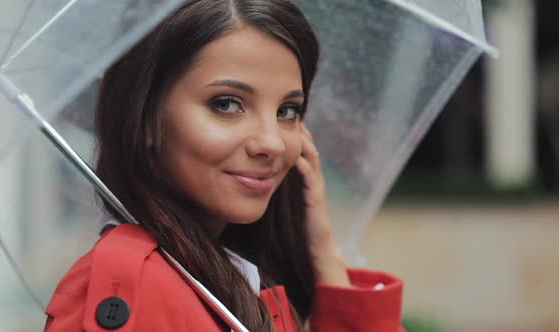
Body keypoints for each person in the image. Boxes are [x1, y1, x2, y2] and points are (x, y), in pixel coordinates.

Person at [44, 0, 405, 331]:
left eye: (288, 110)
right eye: (227, 104)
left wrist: (323, 252)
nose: (272, 142)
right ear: (146, 118)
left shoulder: (237, 276)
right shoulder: (134, 290)